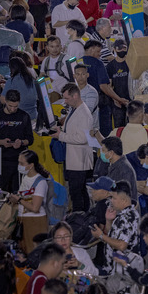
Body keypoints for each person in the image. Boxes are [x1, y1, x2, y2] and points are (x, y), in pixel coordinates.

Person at [54, 83, 93, 213]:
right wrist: (61, 129)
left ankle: (78, 219)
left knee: (76, 194)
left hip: (79, 161)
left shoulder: (84, 114)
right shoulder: (75, 108)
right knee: (80, 191)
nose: (65, 101)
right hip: (74, 160)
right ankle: (84, 215)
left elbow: (81, 138)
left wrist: (61, 136)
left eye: (66, 98)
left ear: (75, 96)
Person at [90, 181, 140, 275]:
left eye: (114, 198)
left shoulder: (129, 218)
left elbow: (121, 245)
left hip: (118, 272)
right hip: (110, 266)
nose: (111, 201)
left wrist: (101, 235)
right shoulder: (122, 214)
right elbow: (113, 237)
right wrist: (109, 220)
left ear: (124, 200)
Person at [8, 150, 49, 253]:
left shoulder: (40, 182)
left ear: (31, 165)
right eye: (18, 162)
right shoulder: (25, 177)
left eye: (22, 163)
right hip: (23, 220)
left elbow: (35, 208)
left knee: (34, 253)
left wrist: (19, 200)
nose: (19, 166)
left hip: (35, 222)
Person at [0, 90, 32, 193]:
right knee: (1, 192)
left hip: (18, 161)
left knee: (17, 192)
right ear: (5, 101)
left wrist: (22, 142)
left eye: (16, 106)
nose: (13, 109)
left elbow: (30, 139)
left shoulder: (24, 116)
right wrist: (1, 142)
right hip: (1, 161)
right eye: (10, 106)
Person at [2, 56, 38, 122]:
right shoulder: (32, 79)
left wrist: (5, 90)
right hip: (34, 117)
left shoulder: (11, 81)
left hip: (18, 119)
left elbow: (3, 99)